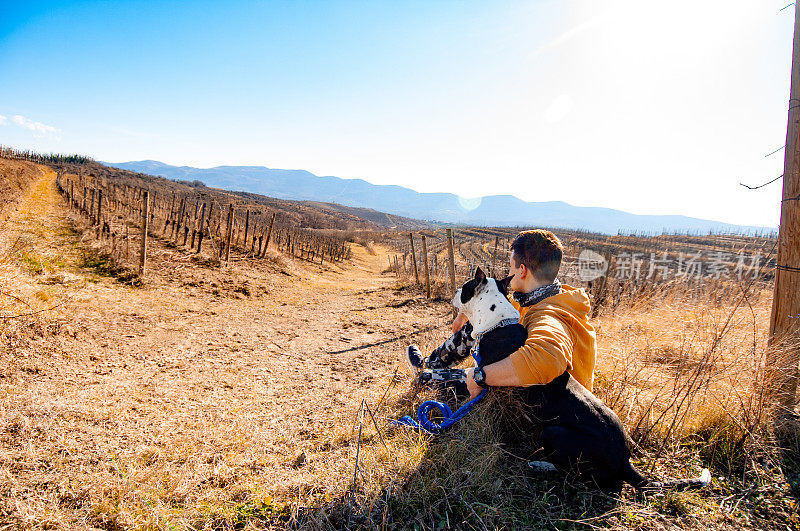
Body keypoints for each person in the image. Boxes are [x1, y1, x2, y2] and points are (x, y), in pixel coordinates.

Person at [406, 229, 596, 400]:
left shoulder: (552, 317)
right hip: (535, 389)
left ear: (522, 271)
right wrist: (464, 312)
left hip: (548, 406)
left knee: (427, 380)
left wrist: (479, 376)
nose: (509, 271)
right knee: (487, 323)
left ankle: (426, 374)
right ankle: (431, 363)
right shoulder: (537, 298)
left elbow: (547, 359)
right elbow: (493, 312)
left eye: (511, 266)